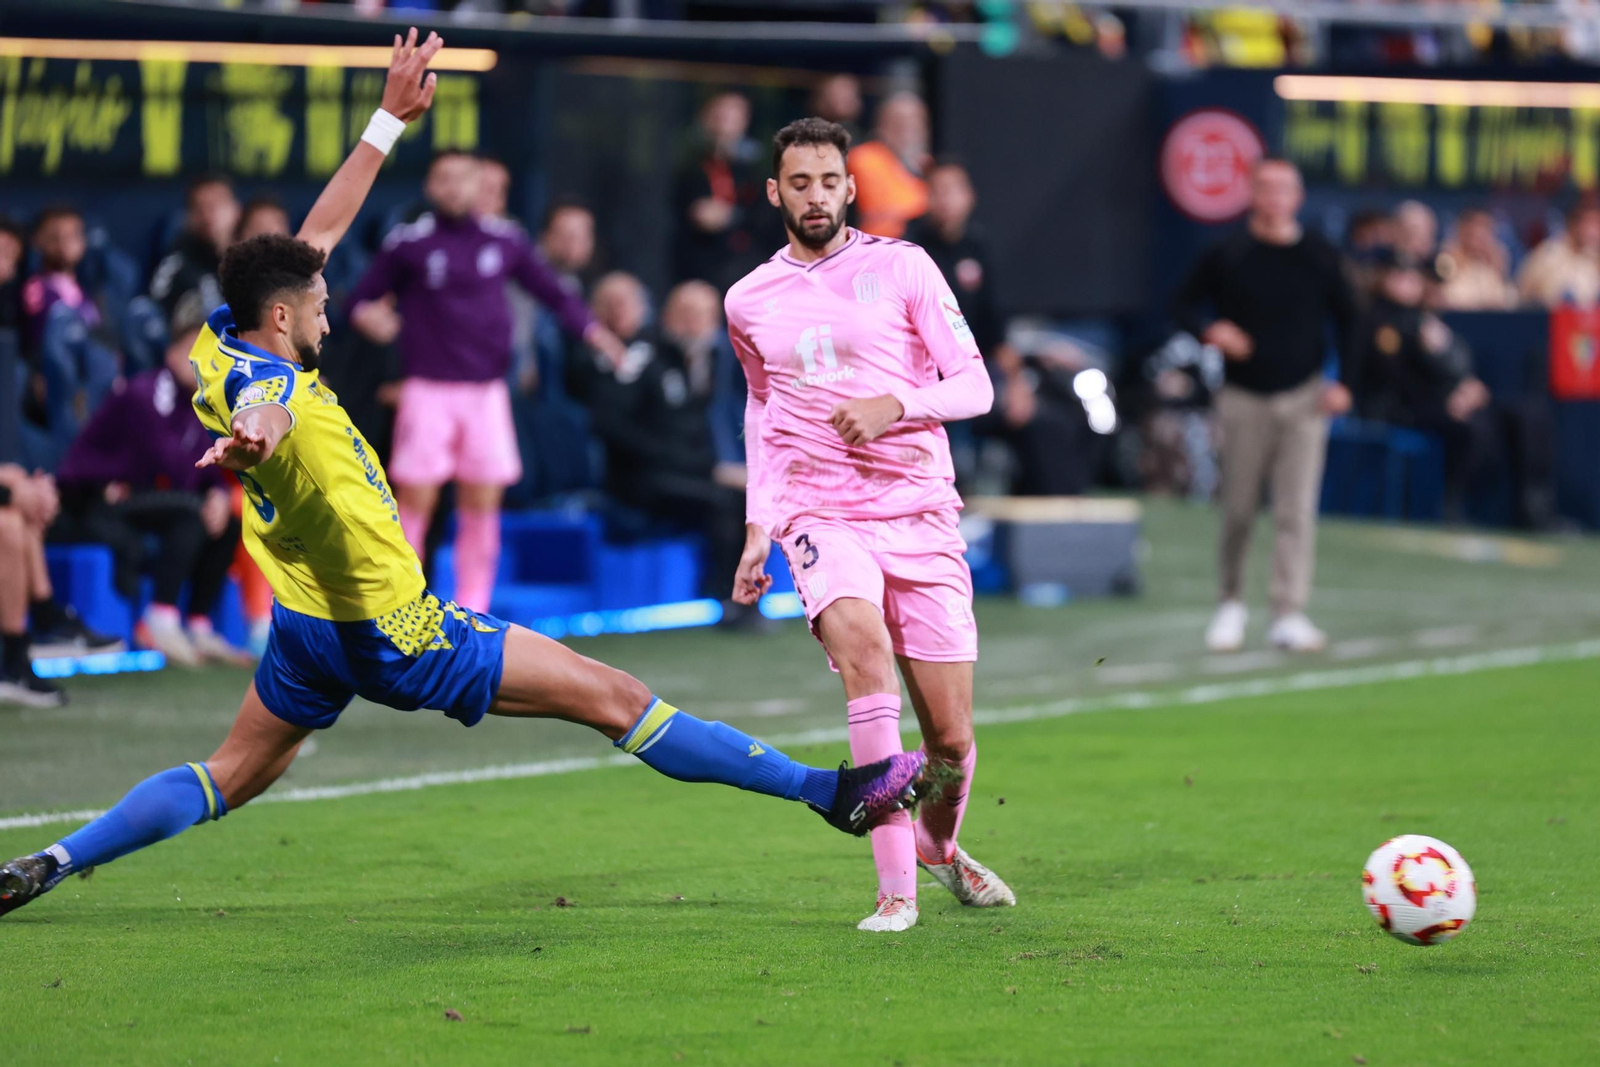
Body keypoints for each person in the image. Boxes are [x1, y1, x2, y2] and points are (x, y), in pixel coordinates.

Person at [0, 31, 927, 921]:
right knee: (613, 697)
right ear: (282, 319)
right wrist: (256, 433)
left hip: (307, 623)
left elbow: (317, 236)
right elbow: (270, 409)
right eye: (319, 304)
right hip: (394, 628)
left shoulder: (222, 336)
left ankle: (53, 859)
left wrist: (386, 121)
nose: (331, 312)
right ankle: (827, 791)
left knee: (228, 775)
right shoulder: (272, 388)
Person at [726, 118, 1011, 934]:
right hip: (819, 510)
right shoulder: (747, 298)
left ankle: (937, 845)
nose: (816, 196)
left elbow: (976, 386)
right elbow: (762, 410)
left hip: (918, 508)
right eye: (800, 183)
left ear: (851, 187)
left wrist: (899, 404)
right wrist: (759, 524)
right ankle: (895, 893)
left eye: (829, 181)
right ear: (774, 191)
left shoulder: (904, 266)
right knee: (865, 656)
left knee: (950, 741)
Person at [348, 151, 625, 614]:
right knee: (414, 501)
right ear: (430, 186)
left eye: (463, 179)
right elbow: (360, 297)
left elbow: (554, 294)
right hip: (427, 390)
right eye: (444, 178)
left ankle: (473, 609)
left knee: (481, 505)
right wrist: (367, 317)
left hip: (486, 393)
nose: (454, 187)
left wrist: (597, 334)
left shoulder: (506, 241)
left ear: (480, 186)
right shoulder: (409, 243)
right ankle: (400, 605)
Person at [1173, 157, 1356, 655]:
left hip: (1303, 399)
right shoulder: (1228, 252)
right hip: (1242, 397)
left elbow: (1352, 318)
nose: (1274, 198)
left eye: (1283, 189)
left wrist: (1345, 383)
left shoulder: (1320, 255)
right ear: (1252, 193)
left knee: (1296, 510)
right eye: (1265, 187)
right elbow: (1182, 304)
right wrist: (1212, 331)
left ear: (1297, 197)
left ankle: (1288, 612)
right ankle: (1230, 603)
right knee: (1237, 508)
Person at [51, 298, 251, 667]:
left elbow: (207, 464)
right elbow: (171, 463)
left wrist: (219, 495)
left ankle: (199, 623)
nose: (204, 361)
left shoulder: (195, 404)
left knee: (228, 521)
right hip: (94, 498)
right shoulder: (146, 392)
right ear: (172, 353)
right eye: (194, 350)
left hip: (141, 496)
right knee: (190, 513)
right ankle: (160, 618)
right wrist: (206, 494)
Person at [1348, 249, 1555, 527]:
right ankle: (1448, 503)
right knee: (1471, 430)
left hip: (1435, 401)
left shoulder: (1423, 320)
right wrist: (1444, 400)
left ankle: (1530, 509)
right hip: (1396, 407)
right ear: (1382, 278)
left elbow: (1449, 366)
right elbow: (1393, 378)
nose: (1408, 284)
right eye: (1400, 277)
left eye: (1412, 278)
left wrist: (1465, 388)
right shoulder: (1378, 319)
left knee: (1519, 416)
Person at [591, 278, 751, 618]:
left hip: (684, 472)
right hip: (641, 478)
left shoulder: (706, 363)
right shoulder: (642, 358)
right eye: (687, 314)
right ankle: (725, 598)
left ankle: (742, 599)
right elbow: (612, 424)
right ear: (667, 315)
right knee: (724, 502)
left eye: (704, 315)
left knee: (745, 497)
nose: (696, 324)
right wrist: (709, 469)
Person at [21, 205, 120, 455]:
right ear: (38, 241)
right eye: (55, 236)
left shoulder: (90, 295)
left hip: (94, 383)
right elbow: (41, 343)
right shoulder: (36, 288)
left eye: (72, 235)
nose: (65, 242)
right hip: (56, 385)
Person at [672, 91, 766, 290]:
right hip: (697, 265)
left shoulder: (758, 169)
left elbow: (765, 218)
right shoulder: (688, 165)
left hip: (746, 266)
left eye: (732, 117)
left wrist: (733, 216)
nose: (724, 125)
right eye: (718, 116)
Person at [149, 173, 240, 321]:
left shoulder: (252, 262)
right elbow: (154, 312)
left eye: (216, 206)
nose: (208, 216)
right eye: (199, 208)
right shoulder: (177, 265)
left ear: (236, 210)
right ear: (188, 217)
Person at [847, 91, 931, 239]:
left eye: (916, 122)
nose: (908, 128)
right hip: (878, 246)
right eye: (898, 122)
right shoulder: (863, 159)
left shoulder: (930, 168)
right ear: (881, 126)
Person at [1517, 199, 1600, 308]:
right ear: (1573, 224)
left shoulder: (1594, 259)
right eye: (1590, 224)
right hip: (1548, 316)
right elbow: (1523, 292)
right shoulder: (1548, 253)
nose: (1595, 231)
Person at [1437, 207, 1516, 311]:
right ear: (1462, 229)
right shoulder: (1445, 258)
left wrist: (1501, 273)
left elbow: (1510, 301)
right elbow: (1446, 298)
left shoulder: (1496, 259)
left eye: (1487, 228)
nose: (1481, 234)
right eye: (1476, 226)